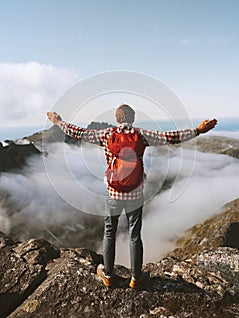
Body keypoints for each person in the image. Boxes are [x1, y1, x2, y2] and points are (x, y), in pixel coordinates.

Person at [47, 105, 217, 288]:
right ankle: (136, 278)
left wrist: (58, 122)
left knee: (109, 232)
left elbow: (78, 133)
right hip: (135, 193)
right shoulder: (141, 135)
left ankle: (108, 275)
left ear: (117, 118)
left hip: (113, 193)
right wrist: (197, 131)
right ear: (132, 118)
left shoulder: (106, 134)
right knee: (134, 235)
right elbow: (170, 138)